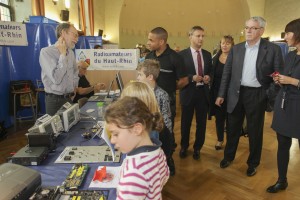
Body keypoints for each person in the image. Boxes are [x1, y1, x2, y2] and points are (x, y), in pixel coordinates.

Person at [215, 16, 284, 176]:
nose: (248, 31)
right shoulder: (236, 49)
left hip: (257, 94)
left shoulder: (273, 49)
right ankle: (228, 156)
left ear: (261, 31)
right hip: (236, 93)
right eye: (247, 27)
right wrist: (221, 94)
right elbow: (227, 73)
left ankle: (253, 163)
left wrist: (267, 94)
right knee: (232, 128)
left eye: (253, 28)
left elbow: (279, 75)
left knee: (254, 131)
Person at [104, 96, 169, 199]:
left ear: (137, 129)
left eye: (116, 134)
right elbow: (165, 176)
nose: (112, 140)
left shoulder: (134, 173)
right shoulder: (158, 150)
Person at [266, 18, 300, 193]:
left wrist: (293, 81)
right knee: (282, 144)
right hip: (284, 105)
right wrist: (279, 80)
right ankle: (282, 180)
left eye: (288, 33)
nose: (285, 36)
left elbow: (293, 80)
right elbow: (284, 78)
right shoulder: (290, 55)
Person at [146, 27, 188, 148]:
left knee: (166, 128)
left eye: (151, 40)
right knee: (151, 129)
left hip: (168, 101)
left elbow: (184, 81)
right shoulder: (149, 56)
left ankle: (169, 152)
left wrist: (169, 89)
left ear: (161, 41)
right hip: (150, 100)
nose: (148, 42)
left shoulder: (175, 57)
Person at [178, 26, 212, 160]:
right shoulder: (181, 55)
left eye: (203, 36)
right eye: (198, 36)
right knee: (185, 122)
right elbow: (179, 74)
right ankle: (184, 146)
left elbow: (212, 72)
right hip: (187, 92)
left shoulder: (208, 54)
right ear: (190, 37)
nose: (201, 39)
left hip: (203, 94)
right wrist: (191, 77)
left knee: (201, 124)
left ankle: (198, 148)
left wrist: (209, 77)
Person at [136, 59, 175, 175]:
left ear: (150, 77)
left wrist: (168, 142)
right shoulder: (140, 93)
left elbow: (167, 121)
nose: (137, 78)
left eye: (140, 75)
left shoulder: (162, 95)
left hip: (156, 137)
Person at [39, 23, 80, 115]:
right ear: (63, 33)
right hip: (54, 101)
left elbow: (75, 72)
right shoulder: (46, 52)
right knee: (55, 129)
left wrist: (74, 89)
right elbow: (56, 79)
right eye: (75, 35)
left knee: (71, 128)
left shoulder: (71, 53)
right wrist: (62, 55)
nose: (77, 39)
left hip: (69, 98)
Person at [210, 35, 234, 150]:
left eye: (228, 43)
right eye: (223, 43)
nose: (224, 45)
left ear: (232, 45)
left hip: (231, 94)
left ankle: (230, 142)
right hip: (216, 93)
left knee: (231, 119)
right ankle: (220, 139)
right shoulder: (215, 58)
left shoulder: (235, 58)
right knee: (219, 118)